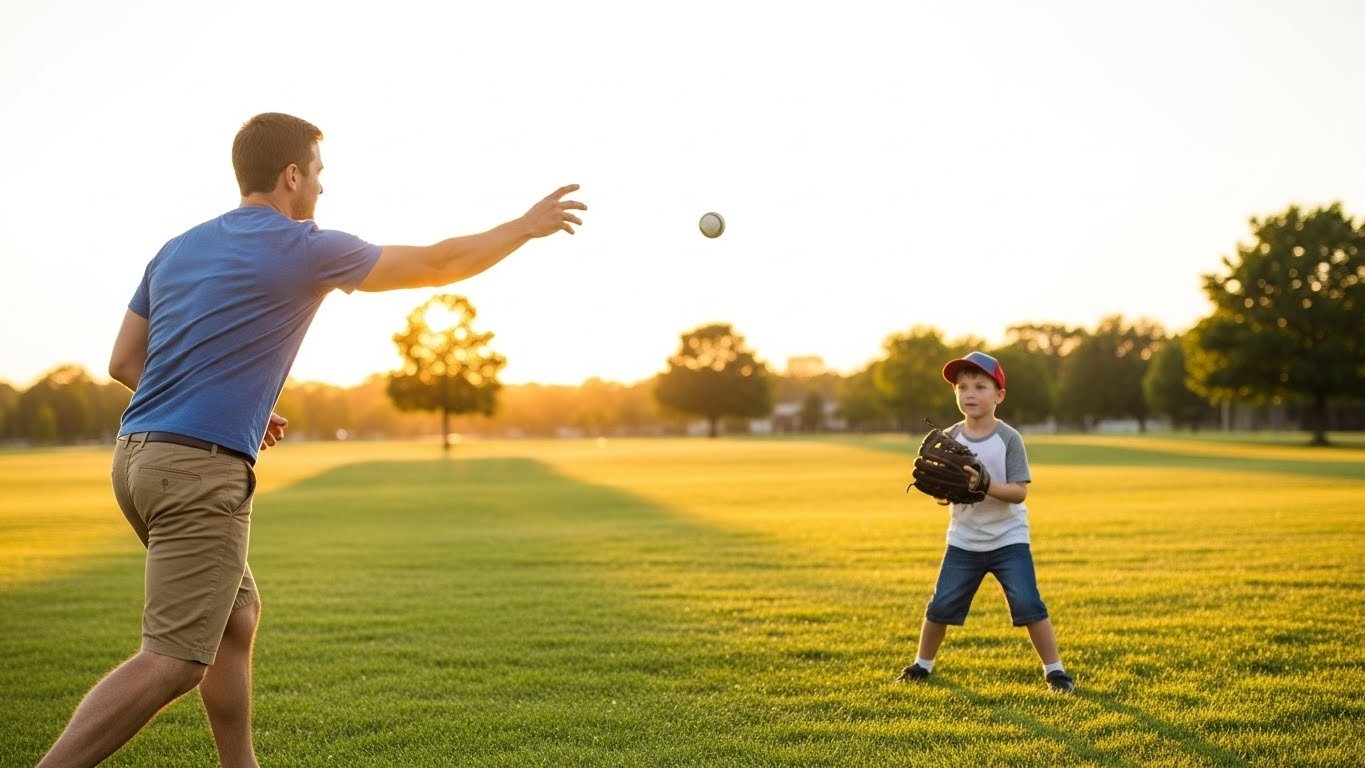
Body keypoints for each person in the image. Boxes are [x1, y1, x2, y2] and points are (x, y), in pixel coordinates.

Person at [38, 112, 586, 768]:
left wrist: (230, 407)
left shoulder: (178, 248)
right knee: (174, 661)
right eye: (318, 173)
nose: (322, 189)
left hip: (137, 458)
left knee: (236, 618)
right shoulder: (303, 246)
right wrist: (522, 227)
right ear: (291, 175)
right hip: (197, 472)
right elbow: (438, 263)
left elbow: (125, 362)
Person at [895, 351, 1074, 693]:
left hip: (1008, 539)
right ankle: (922, 665)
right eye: (962, 387)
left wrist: (986, 484)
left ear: (999, 396)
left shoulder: (1008, 438)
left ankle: (1055, 671)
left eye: (980, 386)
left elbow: (1020, 492)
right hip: (964, 540)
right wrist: (942, 490)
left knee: (1028, 603)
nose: (969, 394)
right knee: (941, 605)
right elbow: (945, 489)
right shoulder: (949, 438)